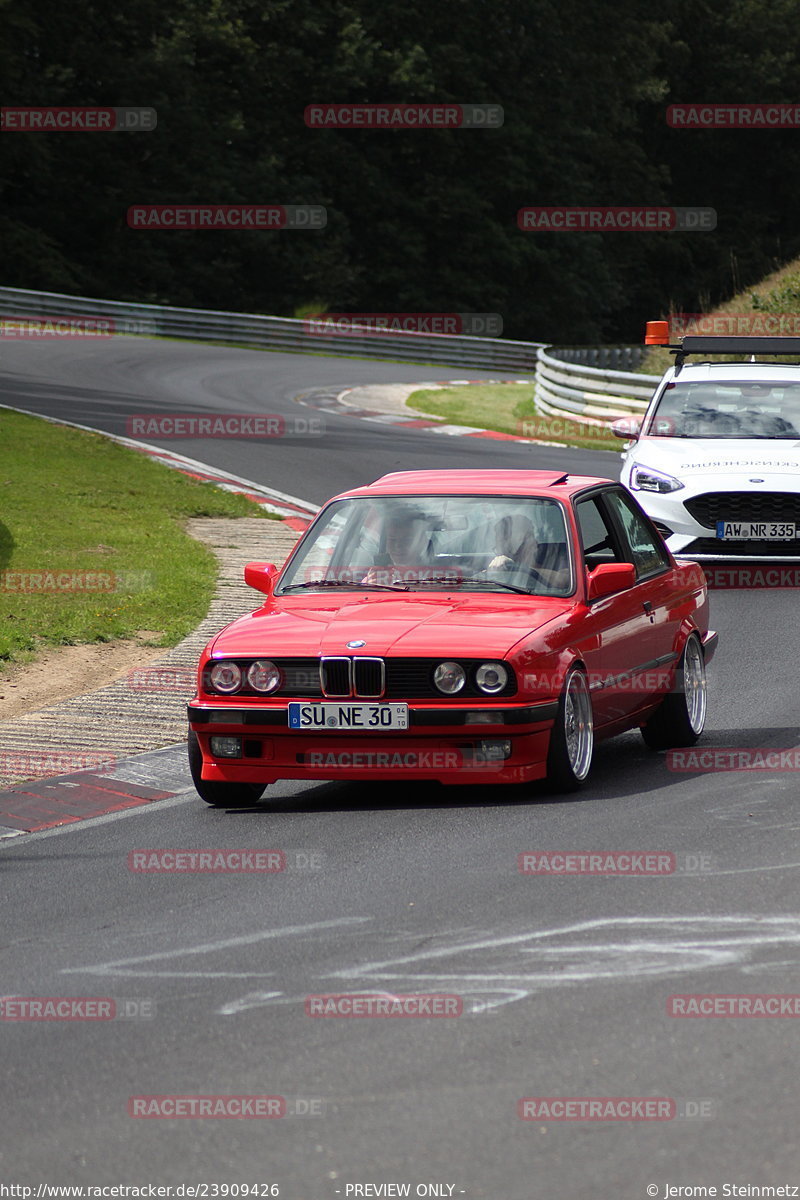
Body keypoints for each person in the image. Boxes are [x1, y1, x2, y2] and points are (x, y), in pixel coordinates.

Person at [486, 514, 569, 590]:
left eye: (530, 536)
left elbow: (564, 579)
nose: (534, 542)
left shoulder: (551, 560)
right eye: (499, 542)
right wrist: (492, 573)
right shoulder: (491, 568)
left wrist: (522, 569)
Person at [361, 506, 432, 584]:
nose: (398, 546)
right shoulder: (378, 576)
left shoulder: (440, 576)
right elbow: (361, 594)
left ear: (422, 541)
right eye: (392, 540)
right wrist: (370, 586)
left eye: (406, 540)